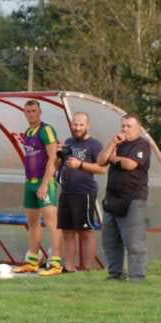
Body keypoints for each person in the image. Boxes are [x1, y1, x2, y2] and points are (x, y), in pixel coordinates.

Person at [97, 113, 152, 281]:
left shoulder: (142, 144)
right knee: (110, 239)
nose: (125, 129)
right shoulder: (117, 144)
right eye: (123, 126)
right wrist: (112, 144)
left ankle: (137, 276)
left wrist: (112, 158)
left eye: (129, 126)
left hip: (133, 198)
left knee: (134, 242)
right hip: (112, 197)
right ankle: (115, 274)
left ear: (138, 129)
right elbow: (100, 161)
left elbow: (130, 164)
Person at [12, 100, 64, 275]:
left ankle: (56, 263)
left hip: (45, 183)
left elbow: (52, 158)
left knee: (52, 223)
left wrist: (45, 183)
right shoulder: (28, 132)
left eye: (34, 111)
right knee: (33, 223)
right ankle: (33, 261)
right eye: (27, 111)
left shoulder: (46, 130)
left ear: (40, 112)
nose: (31, 114)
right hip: (30, 183)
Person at [55, 112, 106, 272]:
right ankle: (69, 268)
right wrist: (58, 153)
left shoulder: (94, 145)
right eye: (74, 124)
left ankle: (87, 269)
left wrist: (80, 164)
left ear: (87, 125)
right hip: (66, 192)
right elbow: (58, 166)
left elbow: (102, 169)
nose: (77, 128)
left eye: (80, 125)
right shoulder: (68, 142)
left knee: (85, 231)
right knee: (67, 231)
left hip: (84, 193)